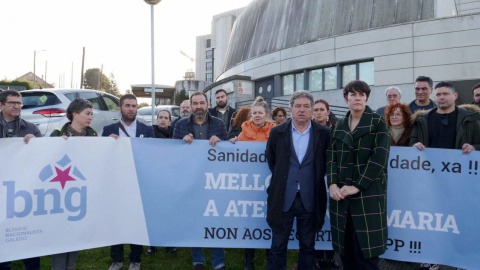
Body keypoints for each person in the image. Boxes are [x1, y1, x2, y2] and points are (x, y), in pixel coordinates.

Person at [410, 82, 480, 270]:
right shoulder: (422, 120)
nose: (441, 97)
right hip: (432, 181)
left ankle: (459, 258)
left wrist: (474, 147)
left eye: (445, 94)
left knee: (459, 220)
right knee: (433, 220)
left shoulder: (471, 118)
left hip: (461, 181)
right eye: (439, 94)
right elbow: (413, 142)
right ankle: (432, 256)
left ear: (455, 96)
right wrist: (415, 147)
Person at [328, 80, 390, 270]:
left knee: (366, 255)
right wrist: (332, 185)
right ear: (346, 99)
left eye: (361, 95)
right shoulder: (338, 126)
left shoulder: (378, 122)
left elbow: (379, 158)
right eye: (353, 95)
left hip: (367, 195)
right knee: (346, 254)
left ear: (366, 98)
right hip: (341, 198)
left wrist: (357, 186)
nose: (357, 98)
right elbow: (331, 159)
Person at [266, 90, 330, 270]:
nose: (302, 110)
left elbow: (326, 162)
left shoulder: (324, 133)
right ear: (290, 109)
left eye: (306, 106)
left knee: (308, 247)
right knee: (278, 247)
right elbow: (272, 160)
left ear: (311, 110)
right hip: (282, 198)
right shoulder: (277, 132)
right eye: (298, 106)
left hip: (311, 199)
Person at [173, 91, 227, 270]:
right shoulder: (180, 125)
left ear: (207, 104)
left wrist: (220, 142)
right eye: (195, 103)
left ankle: (218, 260)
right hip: (191, 180)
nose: (198, 106)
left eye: (201, 103)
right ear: (191, 105)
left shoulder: (219, 124)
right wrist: (182, 143)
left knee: (215, 219)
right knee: (194, 218)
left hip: (214, 180)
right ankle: (198, 259)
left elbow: (228, 152)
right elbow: (172, 153)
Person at [102, 94, 154, 270]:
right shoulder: (108, 129)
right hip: (116, 183)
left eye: (134, 105)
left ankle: (135, 260)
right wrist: (107, 144)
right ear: (120, 108)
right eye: (127, 105)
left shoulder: (147, 130)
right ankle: (116, 260)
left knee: (136, 221)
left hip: (139, 182)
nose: (131, 109)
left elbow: (152, 156)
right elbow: (102, 157)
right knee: (116, 220)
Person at [49, 98, 97, 269]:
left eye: (92, 114)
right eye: (87, 113)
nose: (91, 117)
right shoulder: (56, 135)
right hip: (60, 195)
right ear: (75, 114)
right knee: (60, 233)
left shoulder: (94, 137)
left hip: (81, 193)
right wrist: (55, 145)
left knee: (75, 233)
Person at [229, 97, 275, 270]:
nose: (257, 115)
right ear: (250, 115)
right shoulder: (243, 132)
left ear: (267, 115)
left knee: (270, 220)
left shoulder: (276, 131)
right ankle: (249, 260)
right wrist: (233, 143)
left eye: (260, 113)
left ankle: (271, 257)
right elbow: (237, 155)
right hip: (250, 185)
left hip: (270, 183)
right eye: (254, 113)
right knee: (251, 221)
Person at [0, 90, 41, 270]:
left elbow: (43, 158)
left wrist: (36, 144)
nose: (17, 106)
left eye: (19, 103)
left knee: (27, 235)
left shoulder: (31, 128)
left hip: (23, 190)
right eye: (12, 103)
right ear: (1, 105)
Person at [312, 98, 338, 269]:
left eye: (322, 109)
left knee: (331, 216)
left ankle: (330, 256)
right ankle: (317, 257)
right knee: (315, 216)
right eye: (316, 110)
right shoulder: (307, 129)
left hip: (333, 178)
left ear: (328, 112)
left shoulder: (336, 129)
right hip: (313, 179)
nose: (319, 112)